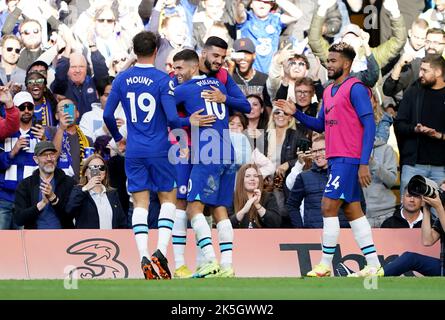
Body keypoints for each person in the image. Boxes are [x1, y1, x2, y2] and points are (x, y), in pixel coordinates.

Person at [103, 31, 212, 280]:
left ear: (134, 50)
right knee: (168, 200)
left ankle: (143, 255)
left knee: (140, 203)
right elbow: (173, 119)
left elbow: (108, 115)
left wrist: (119, 139)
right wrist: (189, 121)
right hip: (160, 149)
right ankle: (160, 252)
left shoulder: (121, 79)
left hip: (135, 150)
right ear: (155, 52)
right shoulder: (164, 80)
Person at [275, 42, 380, 277]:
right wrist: (297, 114)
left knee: (327, 206)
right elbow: (320, 124)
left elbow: (369, 125)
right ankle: (374, 264)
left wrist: (363, 162)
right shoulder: (329, 90)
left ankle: (324, 265)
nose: (329, 65)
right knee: (353, 211)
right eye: (327, 61)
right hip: (336, 158)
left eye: (333, 61)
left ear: (347, 63)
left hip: (349, 158)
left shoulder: (356, 88)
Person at [172, 48, 251, 278]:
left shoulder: (184, 89)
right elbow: (244, 105)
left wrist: (187, 120)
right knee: (219, 210)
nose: (176, 73)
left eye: (180, 68)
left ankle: (210, 260)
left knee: (193, 207)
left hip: (207, 153)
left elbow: (162, 108)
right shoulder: (217, 86)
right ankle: (227, 266)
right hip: (228, 152)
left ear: (193, 66)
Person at [394, 54, 445, 194]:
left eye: (425, 70)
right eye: (420, 69)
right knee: (408, 211)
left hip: (441, 169)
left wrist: (439, 135)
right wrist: (415, 129)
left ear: (438, 72)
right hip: (413, 165)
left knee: (439, 214)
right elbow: (399, 124)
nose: (420, 74)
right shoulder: (413, 92)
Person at [0, 91, 46, 229]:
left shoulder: (41, 133)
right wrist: (12, 152)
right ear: (14, 108)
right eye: (22, 107)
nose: (26, 111)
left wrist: (44, 141)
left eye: (29, 107)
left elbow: (50, 164)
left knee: (25, 245)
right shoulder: (5, 132)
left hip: (29, 199)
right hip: (4, 198)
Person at [286, 134, 349, 229]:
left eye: (322, 150)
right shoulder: (304, 177)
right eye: (315, 151)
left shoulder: (346, 174)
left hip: (344, 234)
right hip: (314, 235)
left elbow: (359, 204)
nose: (318, 154)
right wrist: (300, 230)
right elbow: (292, 205)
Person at [14, 140, 76, 229]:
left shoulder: (69, 183)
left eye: (52, 154)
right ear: (36, 159)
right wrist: (41, 204)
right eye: (44, 155)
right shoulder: (25, 185)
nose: (49, 158)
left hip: (64, 239)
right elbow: (19, 219)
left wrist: (54, 199)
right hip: (34, 239)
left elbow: (71, 216)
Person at [65, 154, 127, 229]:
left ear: (105, 172)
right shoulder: (79, 191)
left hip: (110, 239)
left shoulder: (112, 194)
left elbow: (122, 222)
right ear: (85, 172)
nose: (97, 171)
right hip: (88, 239)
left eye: (101, 167)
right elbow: (68, 212)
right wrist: (86, 188)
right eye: (93, 167)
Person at [47, 99, 93, 182]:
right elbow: (52, 157)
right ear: (56, 116)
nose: (67, 112)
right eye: (62, 109)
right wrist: (61, 128)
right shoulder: (49, 132)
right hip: (58, 185)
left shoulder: (87, 140)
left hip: (80, 186)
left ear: (77, 114)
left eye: (70, 108)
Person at [229, 163, 281, 228]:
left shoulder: (269, 196)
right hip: (238, 237)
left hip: (263, 237)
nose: (252, 179)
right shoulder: (231, 197)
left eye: (255, 176)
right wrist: (243, 210)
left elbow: (276, 223)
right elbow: (225, 225)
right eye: (248, 176)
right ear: (241, 180)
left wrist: (258, 205)